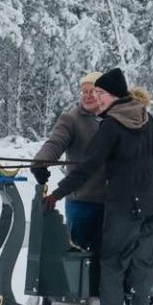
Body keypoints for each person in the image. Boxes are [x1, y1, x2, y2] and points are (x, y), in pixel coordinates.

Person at [44, 68, 153, 305]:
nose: (96, 97)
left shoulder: (112, 125)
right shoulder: (146, 118)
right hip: (151, 204)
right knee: (142, 262)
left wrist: (57, 193)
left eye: (100, 93)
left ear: (113, 95)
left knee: (113, 260)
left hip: (124, 205)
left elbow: (88, 166)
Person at [31, 72, 107, 251]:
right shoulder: (71, 119)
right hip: (81, 201)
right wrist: (40, 162)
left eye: (93, 91)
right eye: (84, 92)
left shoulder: (114, 119)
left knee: (107, 260)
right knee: (76, 257)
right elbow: (55, 143)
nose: (88, 96)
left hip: (113, 203)